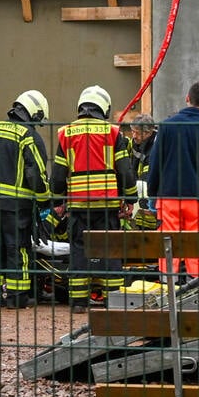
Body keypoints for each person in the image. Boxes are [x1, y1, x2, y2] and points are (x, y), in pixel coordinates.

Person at [50, 85, 137, 314]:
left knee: (79, 250)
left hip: (79, 206)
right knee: (110, 250)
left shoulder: (67, 133)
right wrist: (130, 198)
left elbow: (58, 174)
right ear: (104, 108)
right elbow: (125, 170)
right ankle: (112, 300)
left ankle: (79, 302)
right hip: (107, 205)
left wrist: (57, 201)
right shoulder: (113, 133)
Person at [0, 90, 52, 309]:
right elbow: (36, 174)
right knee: (18, 249)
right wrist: (44, 199)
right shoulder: (29, 136)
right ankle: (16, 298)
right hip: (16, 207)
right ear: (34, 112)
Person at [146, 81, 199, 280]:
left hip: (169, 197)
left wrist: (152, 193)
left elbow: (155, 162)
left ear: (187, 98)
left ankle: (167, 286)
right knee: (196, 244)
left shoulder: (166, 127)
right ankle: (197, 287)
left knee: (168, 242)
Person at [129, 113, 159, 230]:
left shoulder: (156, 145)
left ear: (148, 133)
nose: (134, 136)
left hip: (151, 193)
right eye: (132, 131)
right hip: (139, 188)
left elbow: (150, 175)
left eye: (137, 133)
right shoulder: (134, 143)